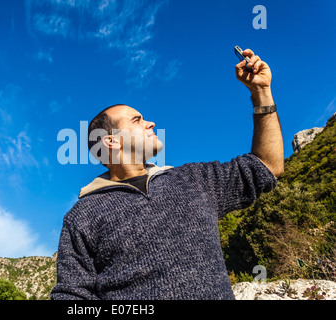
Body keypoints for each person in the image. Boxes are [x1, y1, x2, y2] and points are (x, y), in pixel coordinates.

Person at [50, 48, 284, 300]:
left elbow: (267, 166)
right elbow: (72, 297)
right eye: (137, 120)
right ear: (110, 142)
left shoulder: (195, 180)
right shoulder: (82, 216)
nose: (150, 123)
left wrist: (261, 92)